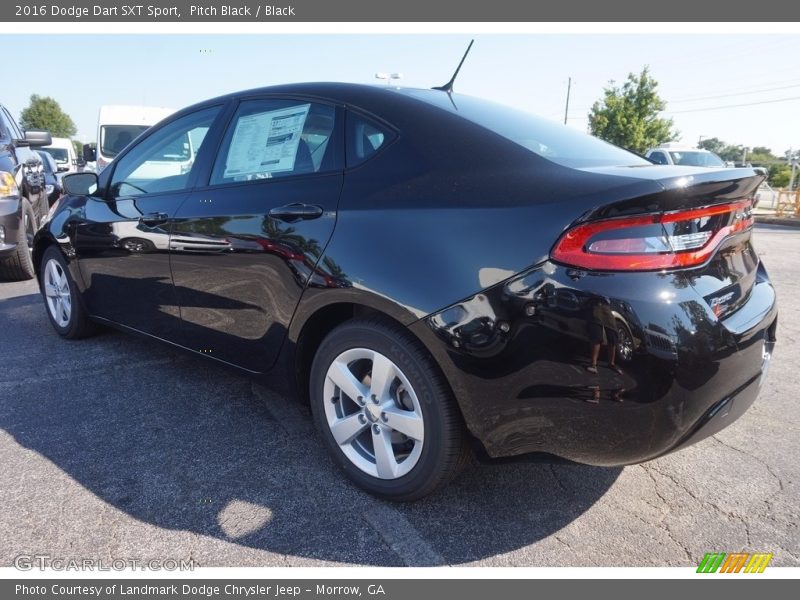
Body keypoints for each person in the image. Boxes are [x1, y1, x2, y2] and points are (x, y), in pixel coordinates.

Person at [586, 296, 623, 375]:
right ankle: (593, 364)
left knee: (612, 336)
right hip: (595, 303)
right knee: (596, 334)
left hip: (607, 307)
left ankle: (611, 364)